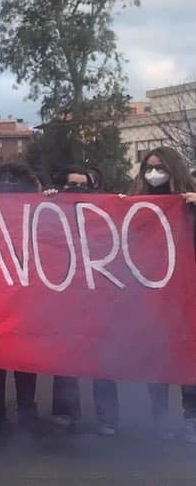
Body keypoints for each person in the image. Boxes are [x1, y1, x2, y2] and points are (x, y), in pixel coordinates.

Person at [130, 147, 196, 442]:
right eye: (149, 167)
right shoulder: (136, 201)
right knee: (157, 356)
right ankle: (159, 419)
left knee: (189, 355)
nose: (154, 174)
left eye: (160, 168)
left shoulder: (191, 201)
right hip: (152, 294)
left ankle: (191, 418)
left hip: (188, 291)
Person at [48, 165, 120, 436]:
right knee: (64, 358)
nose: (77, 191)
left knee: (102, 359)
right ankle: (65, 413)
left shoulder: (106, 213)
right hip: (63, 295)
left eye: (83, 185)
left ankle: (107, 417)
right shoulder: (51, 211)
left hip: (98, 297)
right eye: (71, 185)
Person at [0, 162, 43, 432]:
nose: (8, 184)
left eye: (14, 179)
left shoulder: (40, 212)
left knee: (25, 359)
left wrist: (52, 201)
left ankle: (27, 410)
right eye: (3, 179)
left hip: (28, 297)